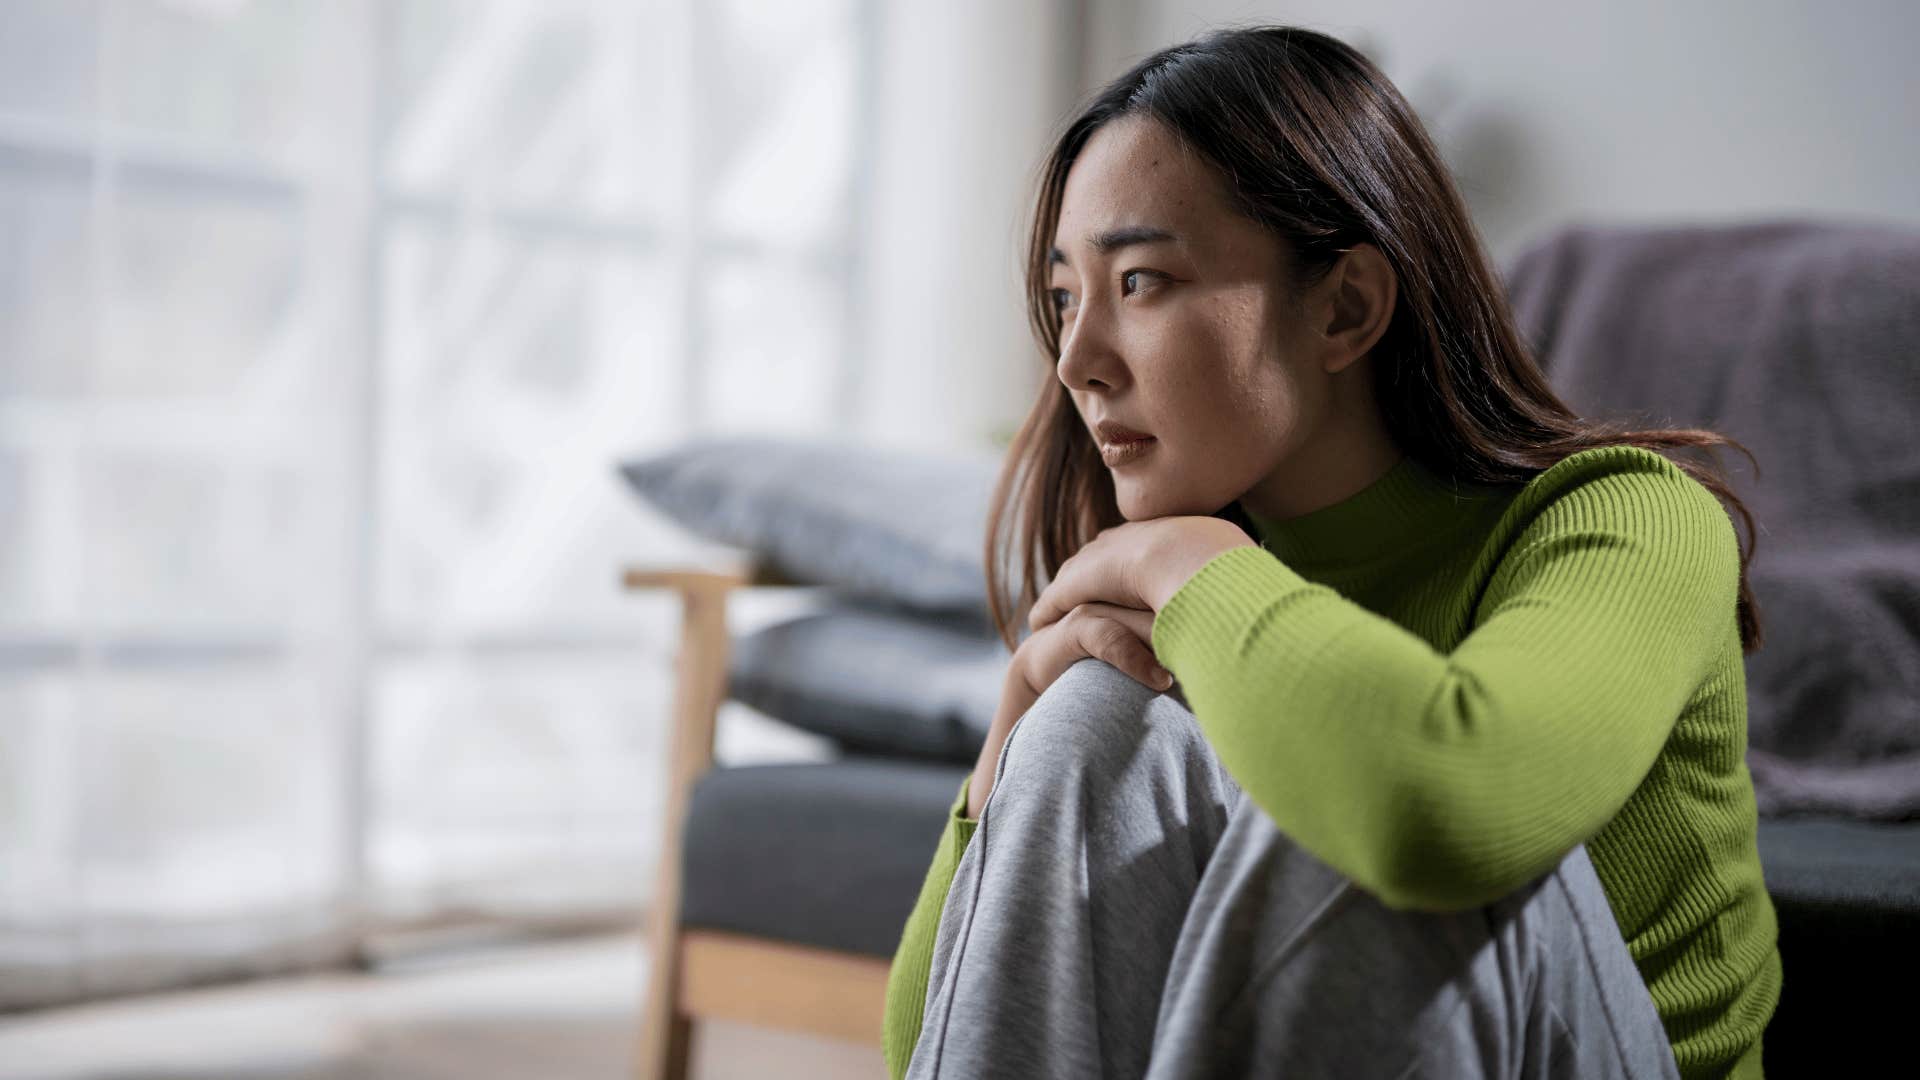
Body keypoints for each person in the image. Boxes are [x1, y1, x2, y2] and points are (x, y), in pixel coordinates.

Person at [880, 24, 1781, 1080]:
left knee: (1344, 794)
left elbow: (1438, 815)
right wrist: (1010, 741)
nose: (1076, 361)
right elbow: (921, 1048)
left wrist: (1189, 568)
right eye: (1066, 296)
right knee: (1092, 716)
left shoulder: (1632, 520)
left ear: (1345, 307)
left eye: (1140, 283)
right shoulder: (1207, 609)